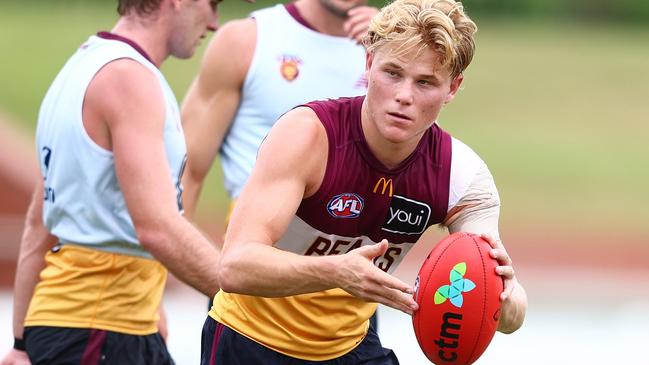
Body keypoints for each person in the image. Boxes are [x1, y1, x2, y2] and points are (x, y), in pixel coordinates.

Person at [200, 0, 528, 363]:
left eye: (425, 82)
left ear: (452, 88)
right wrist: (335, 272)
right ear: (369, 64)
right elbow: (234, 266)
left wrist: (503, 298)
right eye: (392, 73)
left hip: (350, 348)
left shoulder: (462, 177)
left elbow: (510, 310)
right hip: (250, 340)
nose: (404, 96)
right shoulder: (308, 136)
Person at [0, 0, 248, 364]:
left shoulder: (82, 66)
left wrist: (21, 344)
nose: (213, 22)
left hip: (93, 328)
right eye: (211, 4)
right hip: (100, 332)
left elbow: (38, 225)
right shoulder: (129, 79)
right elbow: (158, 228)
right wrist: (251, 301)